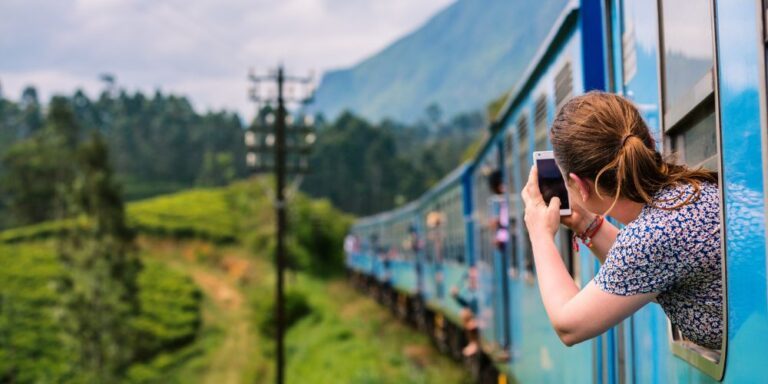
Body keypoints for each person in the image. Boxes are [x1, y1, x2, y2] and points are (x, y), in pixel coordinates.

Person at [521, 91, 721, 350]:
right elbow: (645, 267)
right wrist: (585, 224)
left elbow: (568, 326)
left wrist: (539, 234)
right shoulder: (685, 193)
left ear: (581, 187)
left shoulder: (652, 235)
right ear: (648, 140)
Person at [451, 266, 480, 356]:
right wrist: (456, 297)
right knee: (464, 313)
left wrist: (478, 321)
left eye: (473, 278)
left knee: (466, 316)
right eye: (470, 278)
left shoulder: (481, 291)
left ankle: (474, 343)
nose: (471, 280)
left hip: (483, 318)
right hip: (475, 317)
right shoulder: (470, 290)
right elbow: (466, 304)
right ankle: (472, 343)